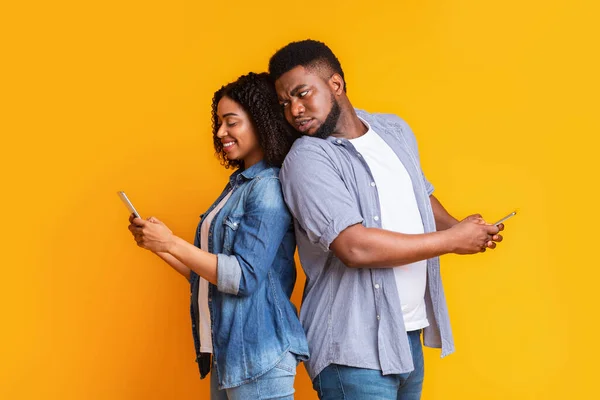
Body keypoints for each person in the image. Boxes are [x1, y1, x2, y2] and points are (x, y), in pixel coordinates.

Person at [268, 40, 505, 400]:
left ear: (335, 84)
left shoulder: (393, 130)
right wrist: (453, 241)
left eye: (302, 94)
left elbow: (419, 196)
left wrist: (462, 227)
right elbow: (354, 247)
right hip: (353, 347)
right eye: (286, 103)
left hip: (405, 335)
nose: (295, 110)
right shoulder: (307, 160)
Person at [127, 72, 308, 400]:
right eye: (219, 122)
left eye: (231, 122)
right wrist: (159, 247)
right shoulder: (238, 185)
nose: (221, 132)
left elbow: (243, 277)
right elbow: (209, 279)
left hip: (259, 355)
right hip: (231, 353)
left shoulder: (268, 187)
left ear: (260, 121)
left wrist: (171, 242)